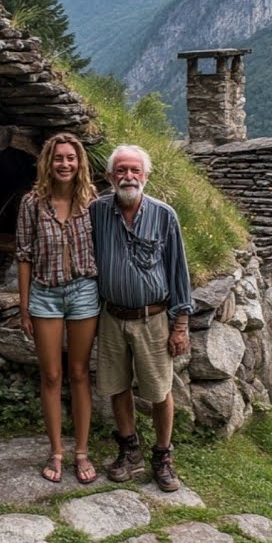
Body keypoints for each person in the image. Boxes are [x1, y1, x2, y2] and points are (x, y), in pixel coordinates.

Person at [89, 144, 196, 492]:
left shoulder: (165, 215)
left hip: (154, 317)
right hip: (111, 316)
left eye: (135, 170)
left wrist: (180, 325)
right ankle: (129, 449)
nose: (128, 176)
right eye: (121, 170)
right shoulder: (97, 212)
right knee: (117, 386)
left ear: (146, 176)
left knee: (160, 390)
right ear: (109, 176)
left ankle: (163, 456)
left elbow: (179, 271)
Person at [16, 132, 101, 484]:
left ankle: (81, 452)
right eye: (58, 158)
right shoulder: (32, 203)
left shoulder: (93, 202)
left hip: (83, 291)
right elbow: (23, 254)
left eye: (70, 158)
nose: (64, 164)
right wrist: (24, 307)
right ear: (47, 163)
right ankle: (56, 450)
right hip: (45, 294)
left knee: (79, 373)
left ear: (79, 163)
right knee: (51, 375)